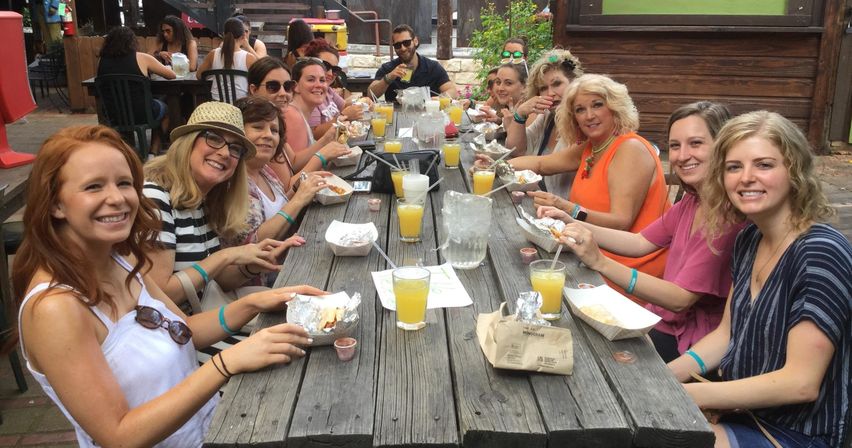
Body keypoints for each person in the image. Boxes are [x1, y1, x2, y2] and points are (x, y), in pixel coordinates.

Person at [13, 124, 321, 446]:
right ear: (55, 204)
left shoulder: (120, 260)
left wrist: (255, 304)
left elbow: (183, 328)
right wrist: (226, 363)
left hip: (212, 430)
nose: (117, 198)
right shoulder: (54, 308)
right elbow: (119, 436)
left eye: (124, 183)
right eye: (93, 187)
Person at [668, 111, 850, 448]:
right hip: (745, 414)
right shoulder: (749, 240)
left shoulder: (819, 252)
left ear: (794, 171)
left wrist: (694, 394)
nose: (746, 178)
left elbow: (801, 382)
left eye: (764, 165)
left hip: (797, 434)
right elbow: (726, 335)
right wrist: (663, 378)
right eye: (734, 167)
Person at [549, 102, 746, 362]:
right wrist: (570, 221)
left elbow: (679, 299)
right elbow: (640, 241)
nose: (683, 155)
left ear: (723, 147)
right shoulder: (694, 199)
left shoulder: (727, 218)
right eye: (675, 146)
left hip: (691, 343)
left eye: (696, 143)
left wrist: (600, 262)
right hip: (660, 320)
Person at [483, 74, 670, 301]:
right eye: (580, 110)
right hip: (589, 252)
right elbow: (541, 163)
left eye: (597, 105)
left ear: (615, 107)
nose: (589, 115)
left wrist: (566, 208)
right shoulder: (594, 147)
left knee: (519, 280)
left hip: (626, 270)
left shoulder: (629, 148)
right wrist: (494, 166)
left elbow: (622, 221)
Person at [143, 101, 294, 309]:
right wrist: (225, 256)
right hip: (178, 334)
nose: (224, 153)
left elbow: (217, 281)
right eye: (214, 138)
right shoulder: (155, 197)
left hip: (206, 318)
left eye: (235, 148)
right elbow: (159, 296)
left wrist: (252, 264)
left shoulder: (207, 197)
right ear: (188, 142)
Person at [227, 97, 329, 286]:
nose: (268, 135)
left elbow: (279, 208)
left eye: (274, 130)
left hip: (292, 260)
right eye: (258, 127)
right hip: (265, 280)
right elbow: (254, 242)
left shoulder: (264, 170)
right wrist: (298, 199)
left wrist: (300, 188)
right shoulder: (233, 182)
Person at [247, 57, 349, 186]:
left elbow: (293, 162)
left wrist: (327, 138)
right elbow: (286, 190)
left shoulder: (273, 124)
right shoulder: (260, 134)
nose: (283, 93)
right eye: (273, 87)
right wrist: (322, 156)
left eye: (287, 86)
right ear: (254, 90)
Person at [503, 49, 583, 196]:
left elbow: (543, 164)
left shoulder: (583, 124)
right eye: (543, 88)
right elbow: (516, 150)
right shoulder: (548, 117)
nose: (550, 93)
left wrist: (496, 167)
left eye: (557, 84)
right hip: (536, 198)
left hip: (562, 209)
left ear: (575, 83)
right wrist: (520, 114)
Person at [98, 26, 175, 154]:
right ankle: (153, 152)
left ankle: (128, 150)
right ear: (131, 41)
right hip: (143, 113)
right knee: (165, 109)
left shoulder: (101, 61)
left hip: (114, 115)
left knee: (129, 113)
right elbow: (170, 75)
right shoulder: (141, 57)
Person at [369, 24, 457, 103]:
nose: (403, 48)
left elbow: (452, 90)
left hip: (427, 116)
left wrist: (439, 99)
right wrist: (388, 78)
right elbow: (371, 95)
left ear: (415, 41)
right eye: (398, 45)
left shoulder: (432, 67)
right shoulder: (388, 68)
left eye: (406, 43)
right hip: (396, 117)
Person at [303, 38, 366, 139]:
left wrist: (362, 101)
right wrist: (342, 117)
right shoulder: (310, 94)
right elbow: (313, 134)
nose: (330, 73)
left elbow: (344, 105)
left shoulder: (328, 91)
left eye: (335, 69)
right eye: (325, 66)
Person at [196, 17, 256, 102]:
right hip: (240, 106)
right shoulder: (249, 58)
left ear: (223, 34)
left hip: (217, 105)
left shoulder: (213, 54)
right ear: (243, 36)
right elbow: (259, 80)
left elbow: (199, 75)